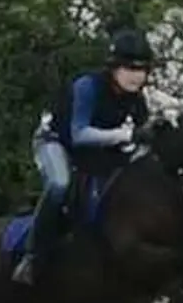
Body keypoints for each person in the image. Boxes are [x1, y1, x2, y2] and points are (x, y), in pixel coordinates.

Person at [11, 27, 155, 285]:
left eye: (142, 69)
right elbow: (79, 134)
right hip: (55, 142)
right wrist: (128, 135)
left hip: (94, 152)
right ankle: (32, 257)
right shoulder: (87, 86)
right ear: (114, 68)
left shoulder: (136, 99)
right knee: (59, 185)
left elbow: (142, 141)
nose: (137, 76)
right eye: (129, 68)